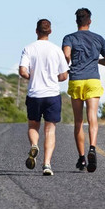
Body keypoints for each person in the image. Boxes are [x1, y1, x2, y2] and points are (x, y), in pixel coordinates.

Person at [62, 8, 105, 172]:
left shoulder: (69, 38)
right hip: (92, 80)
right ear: (89, 21)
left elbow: (66, 56)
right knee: (92, 118)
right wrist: (96, 61)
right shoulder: (99, 39)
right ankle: (92, 147)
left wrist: (70, 64)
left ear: (76, 21)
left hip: (76, 80)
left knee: (78, 121)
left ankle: (82, 158)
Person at [18, 19, 69, 176]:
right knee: (50, 130)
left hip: (35, 94)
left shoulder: (29, 48)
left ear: (36, 31)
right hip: (52, 94)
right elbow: (63, 75)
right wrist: (55, 79)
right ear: (50, 31)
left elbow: (22, 70)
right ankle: (47, 164)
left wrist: (30, 77)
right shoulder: (56, 50)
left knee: (33, 126)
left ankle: (34, 145)